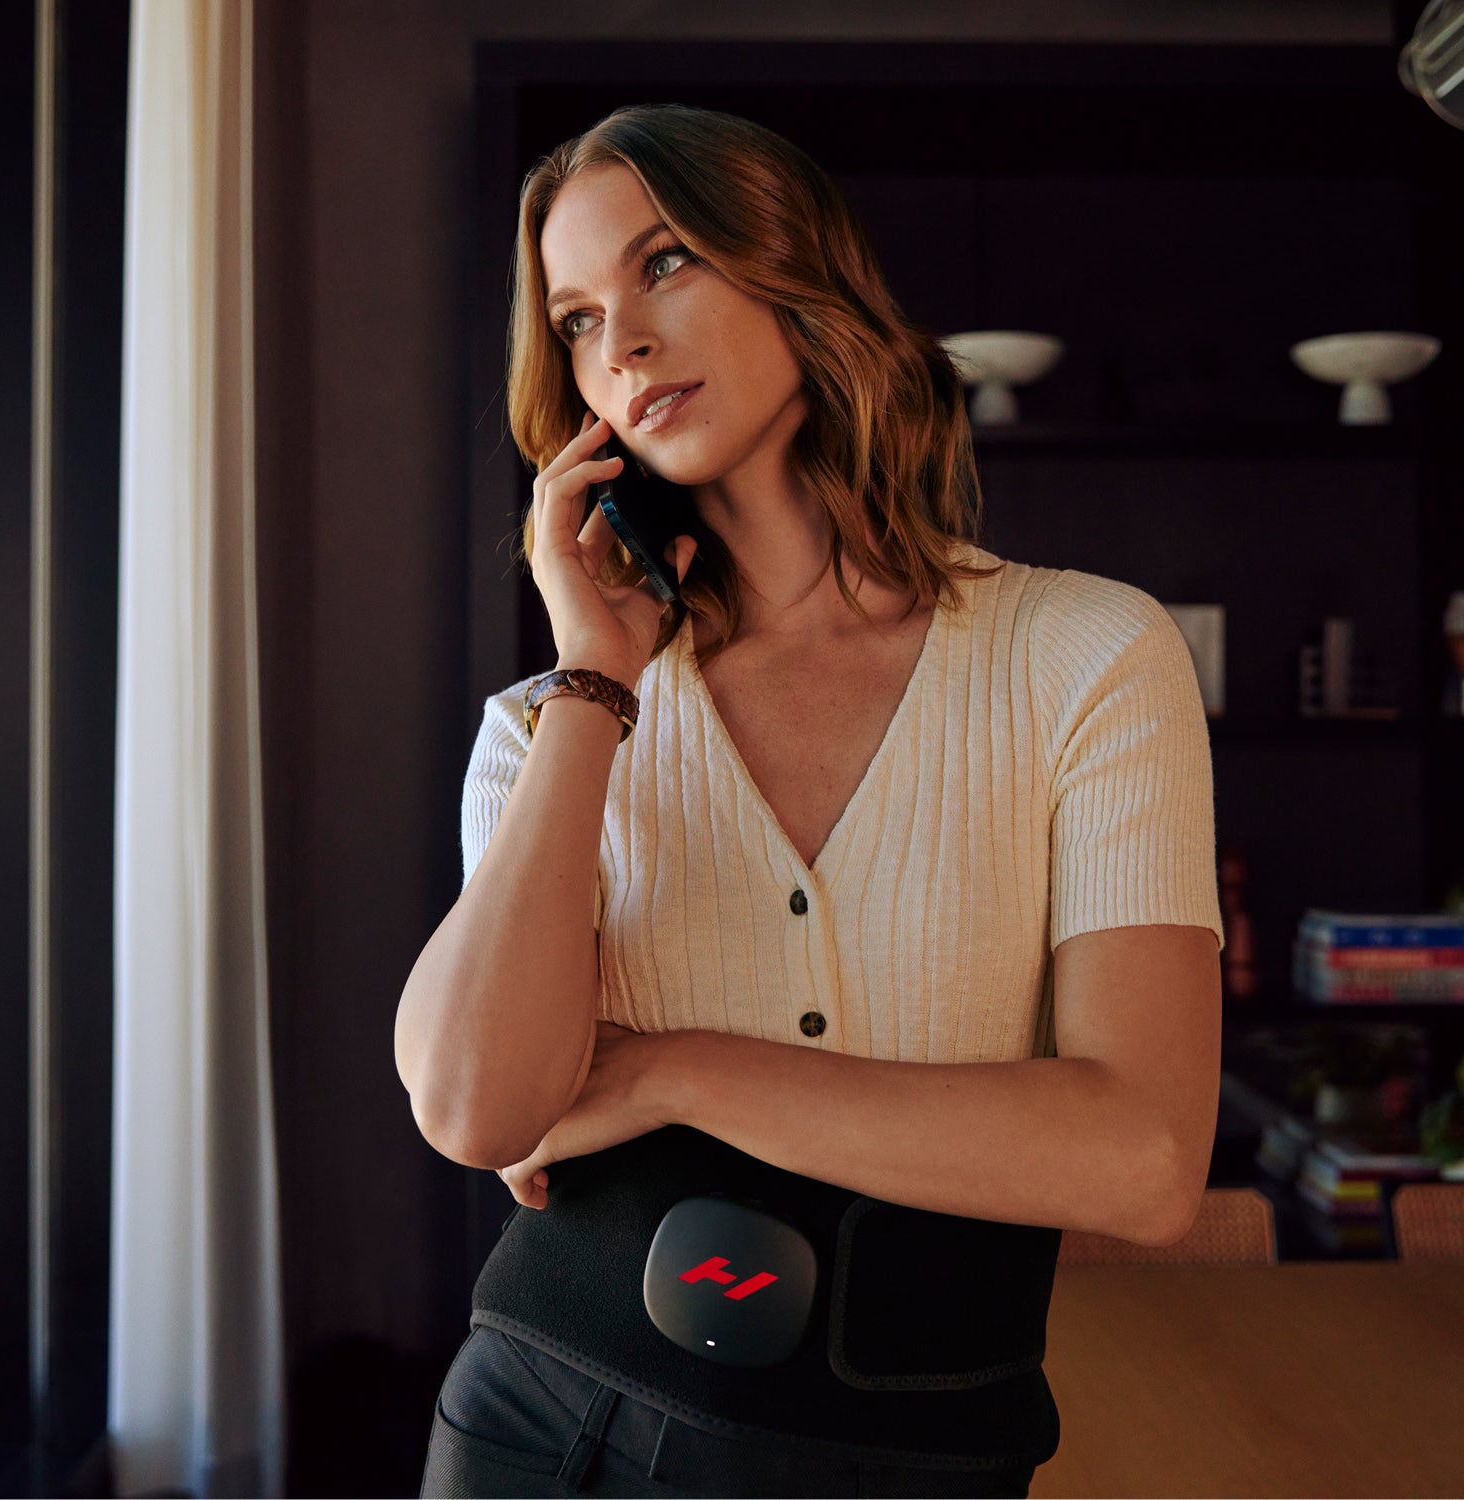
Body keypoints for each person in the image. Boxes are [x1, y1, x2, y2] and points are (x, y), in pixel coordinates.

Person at [394, 102, 1225, 1499]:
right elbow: (479, 1110)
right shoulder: (551, 723)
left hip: (926, 1451)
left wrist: (669, 1072)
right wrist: (596, 680)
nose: (623, 345)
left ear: (796, 266)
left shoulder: (1087, 657)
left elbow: (1142, 1161)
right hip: (553, 1429)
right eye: (578, 321)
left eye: (665, 264)